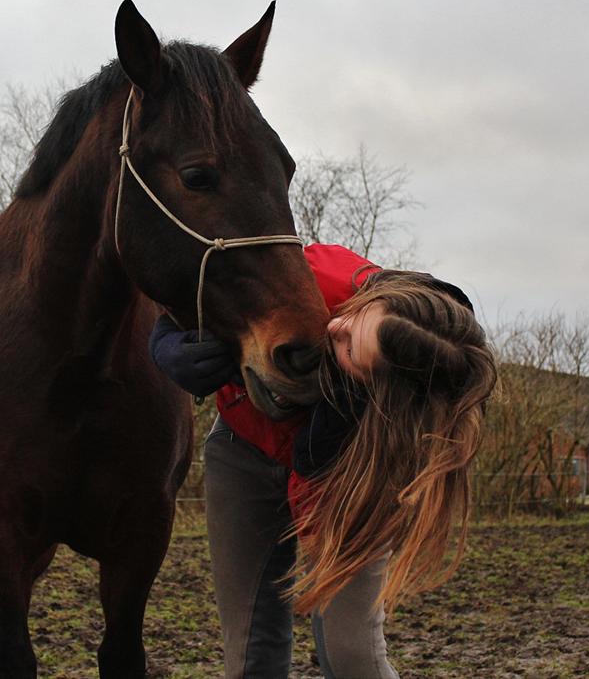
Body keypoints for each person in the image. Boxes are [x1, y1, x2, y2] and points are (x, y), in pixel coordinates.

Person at [148, 243, 498, 679]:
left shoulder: (395, 433)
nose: (336, 327)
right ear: (380, 299)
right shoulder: (318, 274)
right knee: (249, 652)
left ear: (381, 395)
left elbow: (322, 486)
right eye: (356, 318)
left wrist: (324, 445)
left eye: (352, 351)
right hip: (243, 444)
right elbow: (187, 298)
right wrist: (167, 344)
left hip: (348, 477)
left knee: (352, 654)